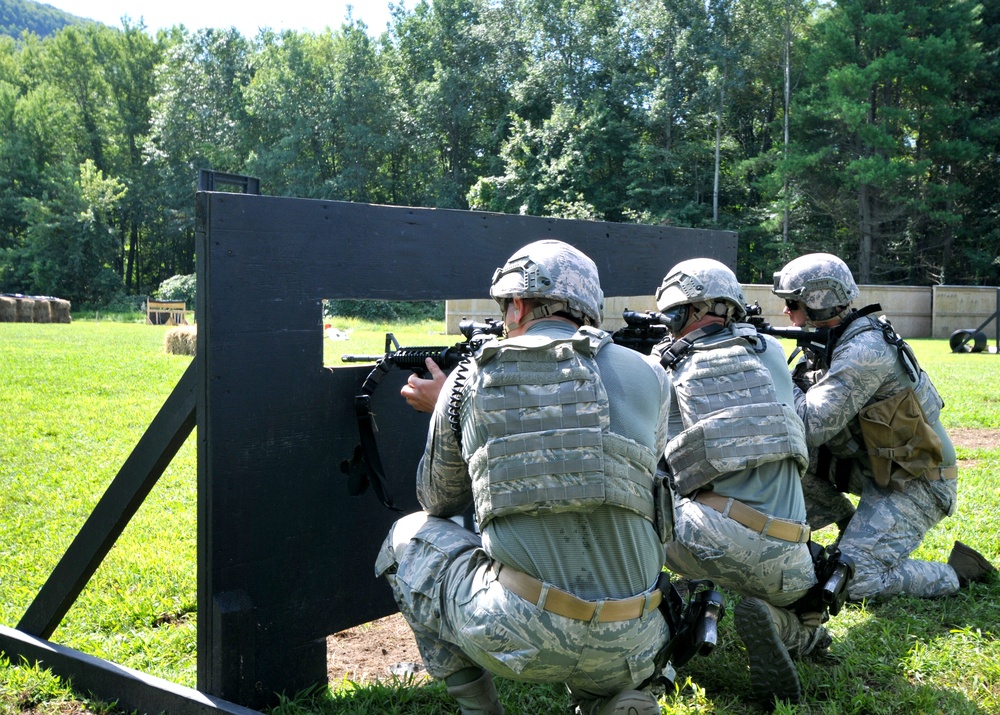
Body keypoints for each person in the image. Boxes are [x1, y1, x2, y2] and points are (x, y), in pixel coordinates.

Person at [376, 240, 674, 715]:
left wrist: (454, 414)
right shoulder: (653, 373)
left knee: (406, 537)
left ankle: (481, 709)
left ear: (517, 304)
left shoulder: (466, 381)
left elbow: (438, 498)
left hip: (520, 634)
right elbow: (638, 473)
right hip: (638, 634)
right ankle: (611, 698)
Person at [650, 258, 828, 704]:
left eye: (674, 316)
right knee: (807, 609)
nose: (671, 328)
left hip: (705, 537)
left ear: (694, 311)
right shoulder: (770, 351)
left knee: (635, 504)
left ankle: (654, 655)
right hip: (791, 552)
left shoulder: (665, 367)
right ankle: (791, 630)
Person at [772, 252, 996, 601]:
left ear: (819, 302)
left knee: (854, 581)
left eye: (792, 302)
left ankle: (958, 573)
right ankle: (851, 525)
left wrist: (774, 371)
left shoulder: (864, 349)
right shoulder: (831, 341)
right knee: (775, 453)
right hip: (873, 465)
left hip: (918, 478)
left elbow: (812, 426)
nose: (786, 311)